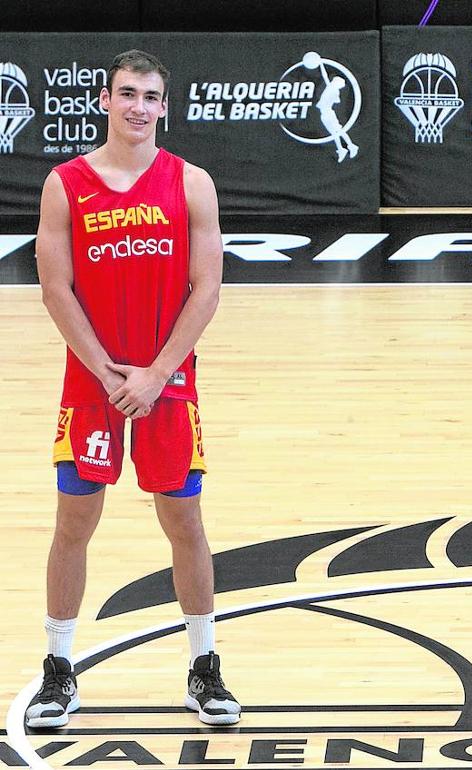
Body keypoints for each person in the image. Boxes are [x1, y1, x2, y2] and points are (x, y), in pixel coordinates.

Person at [25, 50, 240, 728]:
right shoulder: (67, 183)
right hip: (90, 385)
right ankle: (58, 670)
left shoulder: (192, 182)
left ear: (164, 106)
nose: (138, 106)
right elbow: (54, 288)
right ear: (104, 100)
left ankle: (204, 667)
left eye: (150, 95)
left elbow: (207, 289)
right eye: (127, 93)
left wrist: (154, 374)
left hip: (168, 384)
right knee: (74, 524)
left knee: (185, 522)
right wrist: (107, 372)